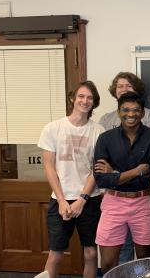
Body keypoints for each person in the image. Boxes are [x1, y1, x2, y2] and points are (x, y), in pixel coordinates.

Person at [38, 81, 105, 278]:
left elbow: (97, 169)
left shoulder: (98, 131)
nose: (85, 101)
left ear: (94, 103)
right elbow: (49, 166)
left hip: (89, 200)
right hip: (61, 200)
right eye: (81, 96)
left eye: (90, 98)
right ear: (72, 99)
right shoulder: (53, 128)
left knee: (91, 253)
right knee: (55, 254)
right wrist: (61, 200)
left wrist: (82, 199)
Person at [98, 71, 150, 264]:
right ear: (119, 112)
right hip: (113, 201)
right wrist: (138, 170)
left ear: (143, 113)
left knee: (145, 261)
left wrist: (116, 174)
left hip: (143, 201)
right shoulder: (105, 138)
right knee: (108, 263)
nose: (131, 114)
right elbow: (101, 179)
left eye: (136, 110)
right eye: (126, 110)